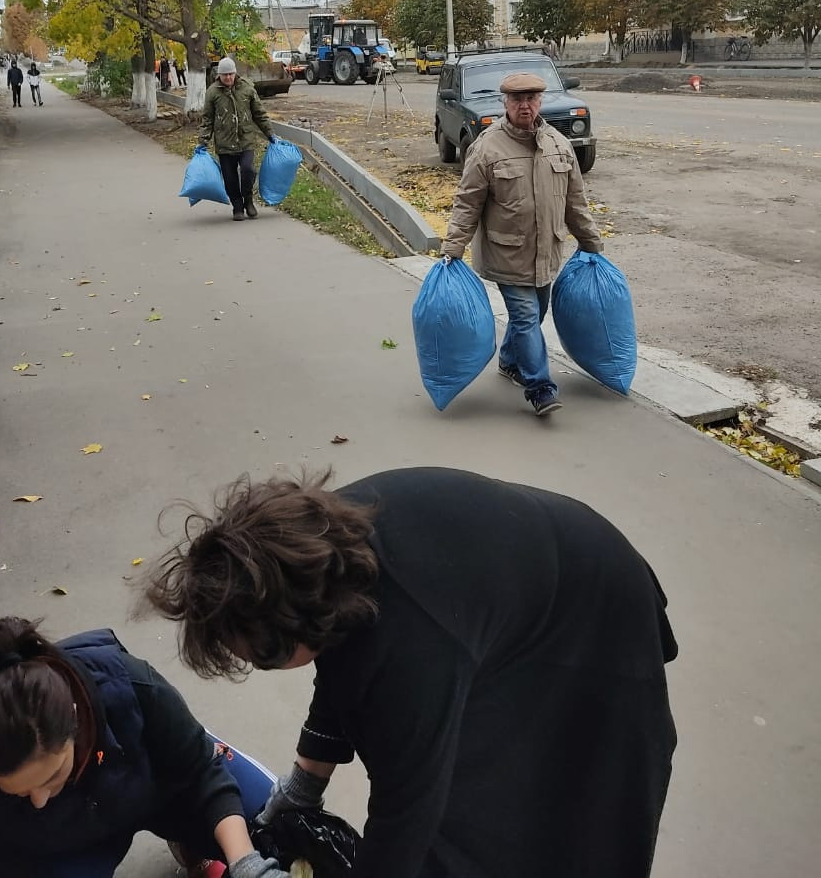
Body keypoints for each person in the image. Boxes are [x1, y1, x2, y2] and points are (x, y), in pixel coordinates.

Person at [146, 467, 678, 878]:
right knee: (481, 805)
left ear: (296, 625)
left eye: (262, 656)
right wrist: (304, 788)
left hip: (598, 618)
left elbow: (406, 813)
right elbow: (339, 670)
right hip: (499, 601)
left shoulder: (409, 644)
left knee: (582, 809)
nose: (257, 666)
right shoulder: (308, 557)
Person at [0, 616, 291, 878]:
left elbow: (203, 773)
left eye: (52, 778)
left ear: (75, 719)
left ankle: (194, 844)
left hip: (162, 787)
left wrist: (247, 865)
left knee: (285, 831)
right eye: (19, 794)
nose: (39, 800)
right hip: (72, 846)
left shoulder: (133, 686)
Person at [441, 70, 602, 417]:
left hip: (546, 253)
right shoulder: (486, 147)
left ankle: (510, 361)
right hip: (507, 253)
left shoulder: (558, 145)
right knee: (527, 316)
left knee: (534, 314)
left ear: (540, 102)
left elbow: (575, 202)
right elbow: (467, 202)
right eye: (517, 100)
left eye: (531, 99)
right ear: (506, 103)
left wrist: (590, 241)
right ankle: (540, 388)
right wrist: (453, 248)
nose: (524, 106)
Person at [198, 57, 274, 221]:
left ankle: (248, 200)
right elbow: (207, 120)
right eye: (224, 75)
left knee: (248, 170)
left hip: (245, 139)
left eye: (231, 74)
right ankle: (237, 207)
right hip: (224, 143)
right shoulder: (212, 92)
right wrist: (203, 142)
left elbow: (259, 114)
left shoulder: (247, 88)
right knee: (230, 178)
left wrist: (270, 134)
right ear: (219, 75)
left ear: (235, 73)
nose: (228, 78)